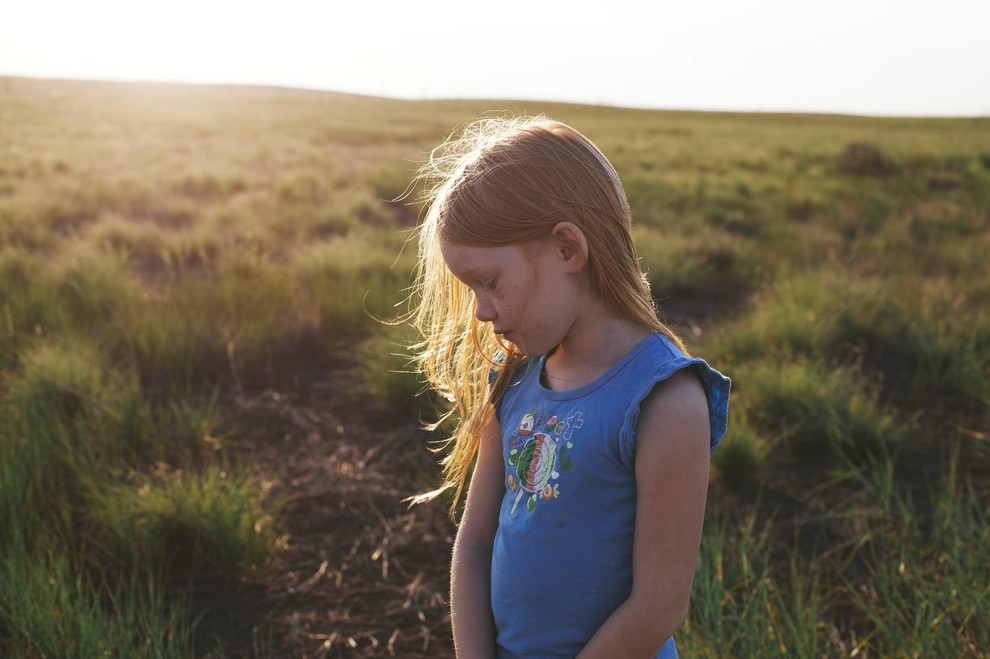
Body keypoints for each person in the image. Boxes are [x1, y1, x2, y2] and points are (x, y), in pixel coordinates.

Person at [409, 116, 730, 659]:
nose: (482, 312)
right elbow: (475, 546)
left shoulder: (665, 401)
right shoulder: (512, 381)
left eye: (489, 283)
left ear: (566, 250)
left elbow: (658, 606)